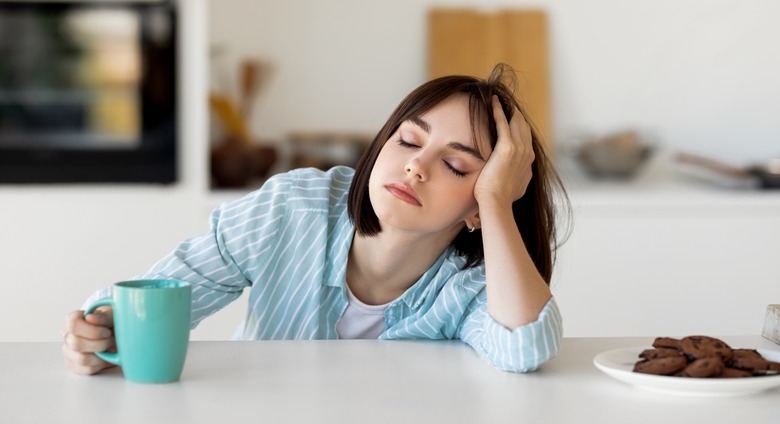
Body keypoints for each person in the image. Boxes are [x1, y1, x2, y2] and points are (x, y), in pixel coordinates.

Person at [62, 63, 569, 374]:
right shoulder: (293, 207)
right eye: (409, 140)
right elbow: (160, 296)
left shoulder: (473, 284)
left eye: (457, 165)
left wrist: (499, 204)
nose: (416, 165)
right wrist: (103, 329)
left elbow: (524, 345)